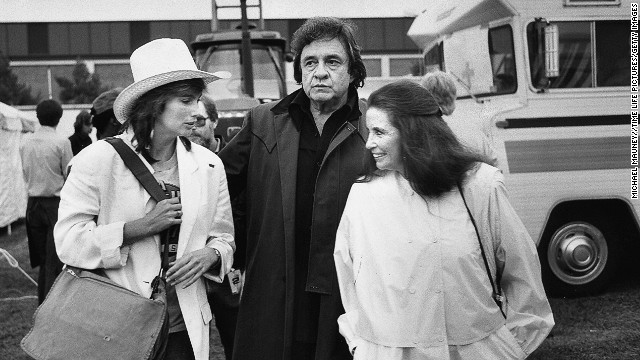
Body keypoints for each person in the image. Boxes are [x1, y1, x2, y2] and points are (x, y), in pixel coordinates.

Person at [334, 80, 554, 359]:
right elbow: (348, 275)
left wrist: (511, 346)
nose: (369, 144)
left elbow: (522, 270)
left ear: (413, 134)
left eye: (379, 132)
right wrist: (361, 344)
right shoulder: (363, 195)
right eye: (369, 131)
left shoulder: (481, 186)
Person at [54, 38, 235, 360]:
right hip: (117, 324)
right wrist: (139, 227)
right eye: (185, 101)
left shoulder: (209, 165)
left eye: (197, 100)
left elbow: (224, 235)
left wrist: (211, 254)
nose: (196, 112)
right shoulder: (96, 160)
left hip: (184, 325)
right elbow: (68, 241)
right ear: (154, 102)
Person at [218, 17, 369, 360]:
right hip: (276, 290)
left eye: (333, 62)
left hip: (348, 294)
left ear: (352, 71)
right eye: (310, 62)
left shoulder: (373, 124)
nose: (320, 72)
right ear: (299, 71)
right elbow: (215, 184)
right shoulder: (263, 122)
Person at [188, 93, 239, 360]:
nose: (192, 128)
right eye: (189, 121)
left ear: (214, 121)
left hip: (229, 270)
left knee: (235, 339)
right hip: (189, 274)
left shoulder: (236, 159)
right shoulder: (176, 164)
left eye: (199, 120)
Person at [19, 99, 73, 303]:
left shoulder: (25, 142)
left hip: (33, 205)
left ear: (38, 116)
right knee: (54, 261)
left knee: (43, 260)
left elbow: (25, 173)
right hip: (53, 205)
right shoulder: (62, 142)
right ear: (59, 118)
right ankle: (51, 306)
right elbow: (69, 175)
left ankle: (44, 302)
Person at [421, 70, 498, 166]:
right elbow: (493, 161)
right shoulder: (471, 127)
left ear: (425, 97)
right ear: (454, 95)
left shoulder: (420, 130)